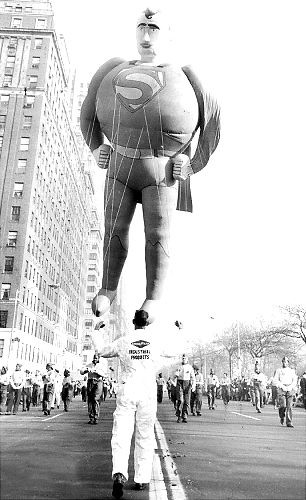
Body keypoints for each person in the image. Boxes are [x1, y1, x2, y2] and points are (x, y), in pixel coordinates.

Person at [80, 7, 220, 325]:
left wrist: (192, 162)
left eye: (153, 29)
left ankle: (153, 296)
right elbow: (87, 113)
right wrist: (97, 146)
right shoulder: (111, 68)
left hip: (161, 170)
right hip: (120, 164)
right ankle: (107, 288)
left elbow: (212, 122)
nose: (146, 36)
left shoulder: (188, 75)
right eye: (141, 28)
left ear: (167, 35)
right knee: (113, 229)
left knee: (158, 233)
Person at [95, 309, 182, 499]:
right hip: (147, 391)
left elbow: (102, 351)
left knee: (121, 434)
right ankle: (141, 478)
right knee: (145, 434)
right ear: (147, 324)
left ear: (134, 323)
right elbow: (174, 350)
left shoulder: (124, 341)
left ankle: (119, 473)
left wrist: (97, 332)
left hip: (127, 389)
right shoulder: (155, 342)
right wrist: (178, 331)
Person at [80, 353, 104, 424]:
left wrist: (96, 371)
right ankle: (91, 417)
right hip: (90, 381)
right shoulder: (89, 365)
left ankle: (96, 417)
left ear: (99, 359)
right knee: (90, 399)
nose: (95, 359)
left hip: (98, 381)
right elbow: (81, 372)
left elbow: (104, 374)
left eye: (96, 358)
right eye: (94, 358)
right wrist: (86, 370)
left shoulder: (101, 365)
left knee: (95, 399)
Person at [274, 356, 298, 427]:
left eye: (286, 361)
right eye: (283, 361)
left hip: (290, 389)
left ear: (288, 362)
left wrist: (290, 387)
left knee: (289, 406)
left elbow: (294, 380)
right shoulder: (279, 370)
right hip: (282, 389)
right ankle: (282, 416)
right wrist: (281, 386)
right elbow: (275, 380)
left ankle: (289, 422)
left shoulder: (291, 371)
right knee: (283, 405)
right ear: (282, 362)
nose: (285, 363)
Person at [175, 354, 195, 423]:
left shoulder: (190, 367)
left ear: (187, 359)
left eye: (185, 358)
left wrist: (193, 385)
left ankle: (185, 416)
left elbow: (193, 377)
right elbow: (175, 376)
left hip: (187, 383)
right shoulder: (179, 367)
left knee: (187, 401)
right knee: (180, 400)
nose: (183, 359)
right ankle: (179, 416)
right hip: (180, 383)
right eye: (183, 358)